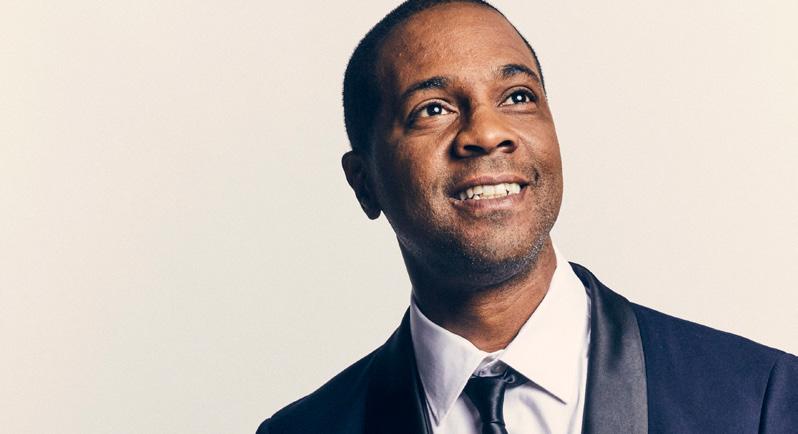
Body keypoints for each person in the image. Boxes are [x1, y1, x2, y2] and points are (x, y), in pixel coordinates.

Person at [257, 1, 797, 433]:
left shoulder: (760, 400)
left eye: (517, 97)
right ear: (364, 182)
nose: (488, 133)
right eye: (433, 109)